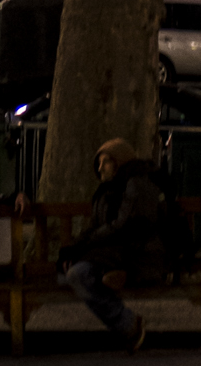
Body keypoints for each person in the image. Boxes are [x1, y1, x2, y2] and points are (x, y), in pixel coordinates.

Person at [61, 135, 161, 349]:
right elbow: (94, 226)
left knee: (79, 274)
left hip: (136, 253)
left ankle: (127, 323)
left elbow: (120, 226)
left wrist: (85, 245)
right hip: (110, 251)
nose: (100, 169)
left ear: (119, 162)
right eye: (99, 164)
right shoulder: (105, 191)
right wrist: (74, 247)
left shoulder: (136, 183)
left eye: (105, 162)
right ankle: (127, 319)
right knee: (69, 274)